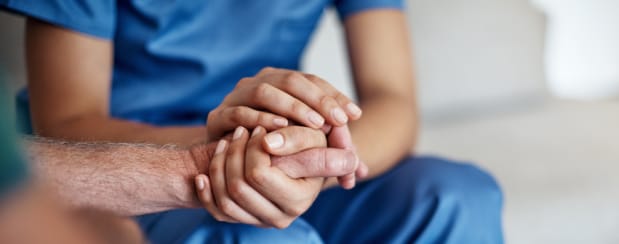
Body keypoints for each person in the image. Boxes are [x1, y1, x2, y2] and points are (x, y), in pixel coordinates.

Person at [1, 0, 504, 243]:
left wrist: (312, 162)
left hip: (270, 153)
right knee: (262, 240)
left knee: (456, 198)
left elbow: (392, 100)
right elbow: (66, 122)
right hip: (134, 165)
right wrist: (240, 158)